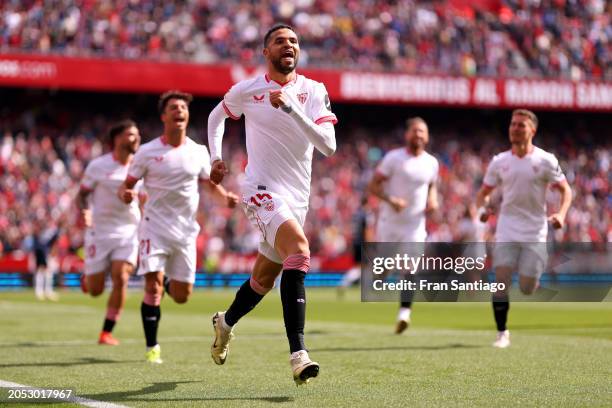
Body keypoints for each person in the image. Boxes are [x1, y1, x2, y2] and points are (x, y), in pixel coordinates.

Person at [207, 24, 337, 385]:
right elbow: (216, 116)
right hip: (260, 191)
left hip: (297, 199)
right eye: (280, 41)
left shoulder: (313, 91)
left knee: (264, 277)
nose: (289, 45)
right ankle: (299, 354)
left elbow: (328, 146)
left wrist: (294, 109)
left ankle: (225, 322)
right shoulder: (249, 89)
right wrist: (215, 157)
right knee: (299, 252)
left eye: (294, 41)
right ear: (266, 52)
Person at [118, 90, 238, 363]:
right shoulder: (147, 151)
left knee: (182, 296)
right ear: (164, 115)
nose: (179, 111)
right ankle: (152, 347)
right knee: (152, 289)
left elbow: (209, 184)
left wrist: (225, 198)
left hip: (185, 231)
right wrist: (126, 194)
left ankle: (169, 281)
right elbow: (127, 186)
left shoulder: (198, 151)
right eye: (173, 107)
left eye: (183, 107)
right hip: (154, 229)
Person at [475, 109, 572, 348]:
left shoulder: (546, 160)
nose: (515, 128)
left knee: (527, 288)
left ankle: (532, 280)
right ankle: (502, 332)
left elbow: (565, 190)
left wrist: (561, 213)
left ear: (532, 130)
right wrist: (484, 210)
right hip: (507, 228)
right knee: (500, 280)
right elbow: (483, 194)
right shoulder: (499, 162)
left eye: (521, 125)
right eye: (513, 124)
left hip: (535, 230)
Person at [368, 117, 439, 334]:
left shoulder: (432, 162)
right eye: (415, 131)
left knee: (410, 269)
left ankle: (404, 314)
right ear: (407, 134)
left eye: (422, 131)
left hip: (415, 225)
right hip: (390, 223)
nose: (418, 135)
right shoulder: (393, 158)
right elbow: (373, 185)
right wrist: (391, 200)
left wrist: (433, 201)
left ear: (427, 137)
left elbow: (432, 185)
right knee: (382, 272)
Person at [76, 119, 142, 345]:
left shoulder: (141, 166)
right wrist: (85, 211)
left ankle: (106, 332)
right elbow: (82, 193)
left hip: (128, 231)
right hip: (100, 231)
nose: (136, 138)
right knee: (94, 290)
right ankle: (89, 278)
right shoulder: (98, 166)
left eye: (137, 135)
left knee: (121, 277)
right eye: (131, 134)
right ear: (117, 138)